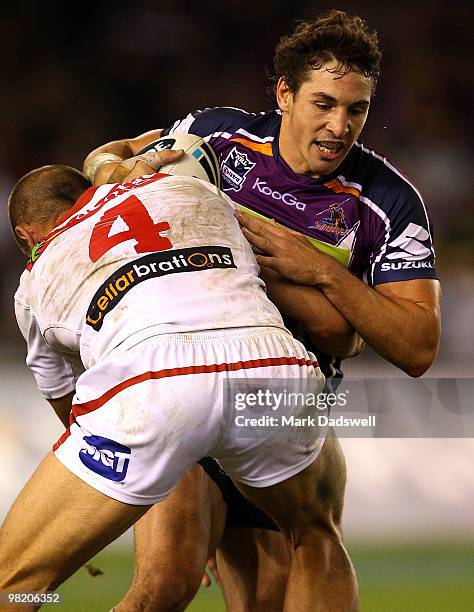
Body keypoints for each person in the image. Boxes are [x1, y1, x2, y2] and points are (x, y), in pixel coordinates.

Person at [81, 8, 442, 611]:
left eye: (357, 109)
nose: (339, 125)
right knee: (163, 583)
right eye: (323, 103)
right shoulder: (218, 138)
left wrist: (320, 269)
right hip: (192, 389)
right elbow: (118, 163)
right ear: (284, 93)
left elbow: (418, 347)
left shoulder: (388, 202)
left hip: (283, 407)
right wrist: (109, 168)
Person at [1, 151, 358, 611]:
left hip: (150, 380)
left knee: (19, 580)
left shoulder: (36, 274)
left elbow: (68, 405)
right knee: (315, 533)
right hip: (269, 362)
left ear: (26, 236)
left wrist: (89, 513)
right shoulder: (192, 188)